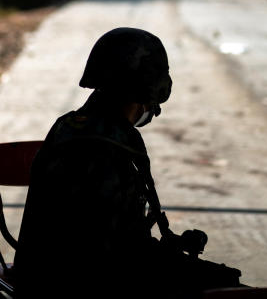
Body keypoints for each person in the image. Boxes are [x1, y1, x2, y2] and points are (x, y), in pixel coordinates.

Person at [13, 27, 244, 298]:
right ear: (148, 92)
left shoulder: (74, 125)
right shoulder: (104, 151)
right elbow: (115, 259)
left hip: (55, 276)